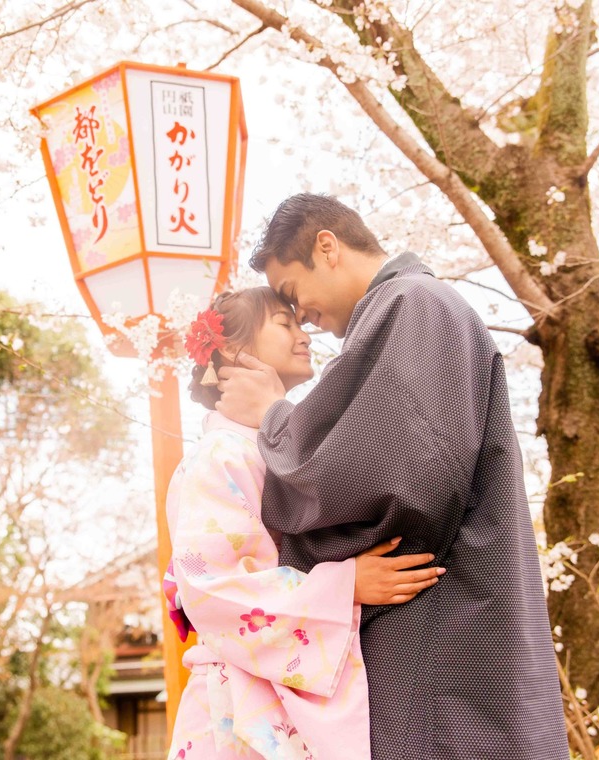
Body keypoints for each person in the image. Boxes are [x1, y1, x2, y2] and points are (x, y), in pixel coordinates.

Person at [215, 194, 570, 759]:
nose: (302, 317)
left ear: (326, 247)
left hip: (442, 636)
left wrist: (274, 419)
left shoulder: (412, 303)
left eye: (292, 293)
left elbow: (397, 476)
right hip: (450, 627)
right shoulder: (409, 307)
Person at [165, 287, 446, 760]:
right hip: (238, 705)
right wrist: (344, 584)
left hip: (278, 691)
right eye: (285, 323)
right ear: (231, 349)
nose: (305, 335)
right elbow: (214, 590)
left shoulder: (271, 447)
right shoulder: (220, 456)